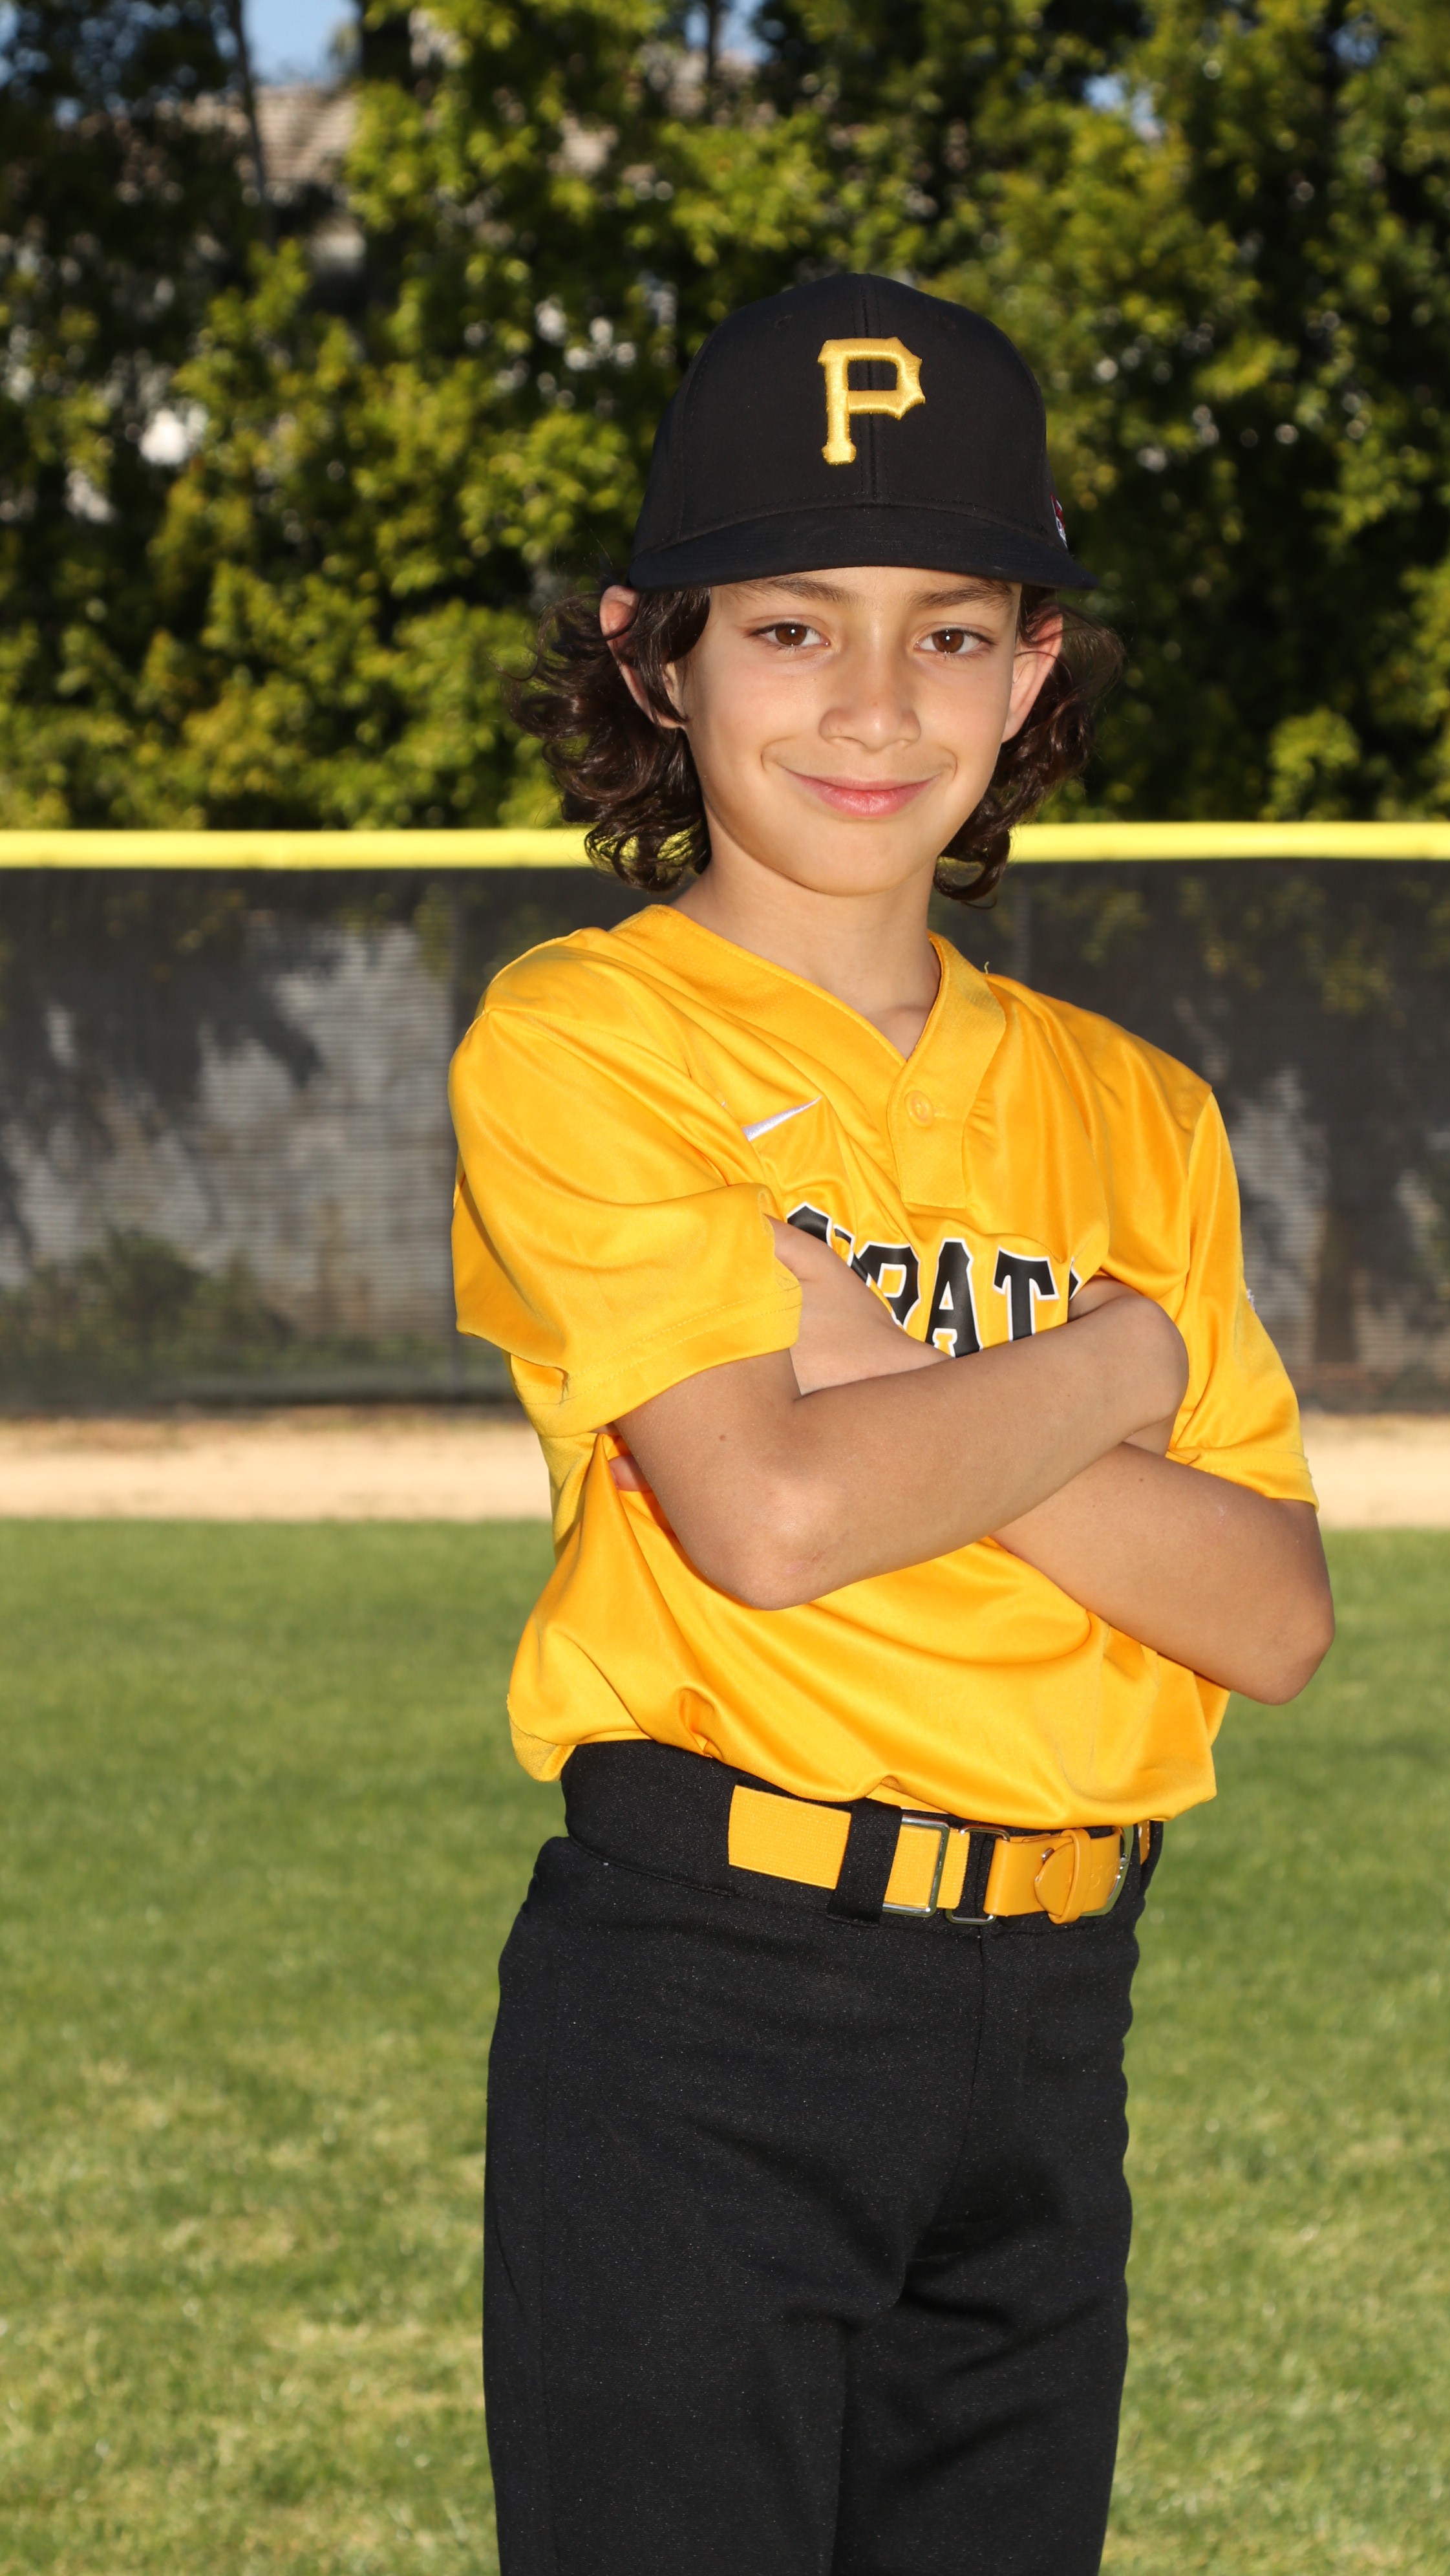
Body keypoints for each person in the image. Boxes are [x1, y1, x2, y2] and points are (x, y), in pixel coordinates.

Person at [449, 271, 1334, 2576]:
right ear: (655, 655)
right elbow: (767, 1513)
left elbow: (1270, 1616)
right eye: (789, 628)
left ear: (1031, 670)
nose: (872, 702)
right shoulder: (591, 1041)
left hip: (1057, 2016)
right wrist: (1112, 1373)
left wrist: (913, 1386)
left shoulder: (1139, 1110)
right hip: (709, 2002)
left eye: (949, 632)